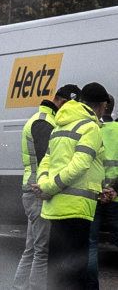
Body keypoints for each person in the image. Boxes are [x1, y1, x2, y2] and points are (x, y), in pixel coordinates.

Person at [33, 82, 111, 290]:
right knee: (75, 275)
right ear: (102, 106)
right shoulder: (90, 127)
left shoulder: (60, 125)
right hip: (77, 210)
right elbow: (79, 164)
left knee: (56, 271)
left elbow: (46, 162)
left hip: (56, 208)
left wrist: (44, 185)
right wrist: (50, 187)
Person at [13, 84, 81, 290]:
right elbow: (47, 161)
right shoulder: (44, 123)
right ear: (60, 100)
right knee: (41, 250)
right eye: (69, 105)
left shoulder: (44, 119)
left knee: (32, 248)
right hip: (37, 192)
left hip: (32, 190)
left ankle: (18, 286)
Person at [87, 94, 118, 290]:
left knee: (91, 244)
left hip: (94, 195)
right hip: (115, 195)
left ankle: (91, 287)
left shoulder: (91, 130)